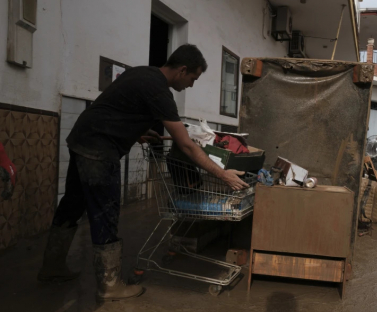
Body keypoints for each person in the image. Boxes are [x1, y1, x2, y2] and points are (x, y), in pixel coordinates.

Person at [37, 44, 248, 301]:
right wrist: (222, 174)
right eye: (193, 78)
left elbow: (116, 110)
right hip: (100, 152)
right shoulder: (159, 90)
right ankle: (110, 286)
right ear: (182, 70)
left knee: (72, 204)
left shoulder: (142, 73)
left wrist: (137, 131)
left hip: (82, 140)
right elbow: (186, 145)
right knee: (105, 214)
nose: (192, 85)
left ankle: (52, 267)